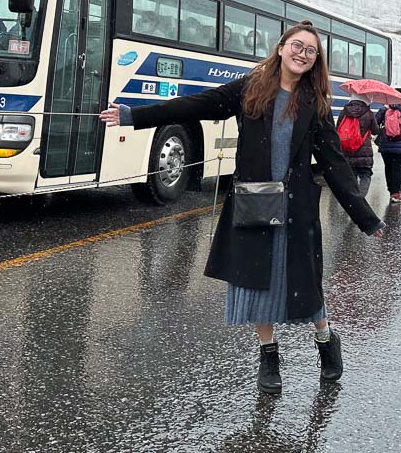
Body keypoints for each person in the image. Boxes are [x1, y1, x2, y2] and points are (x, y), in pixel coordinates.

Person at [98, 21, 384, 395]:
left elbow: (334, 163)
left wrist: (365, 216)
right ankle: (268, 357)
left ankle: (326, 339)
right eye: (296, 46)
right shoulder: (251, 89)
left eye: (310, 51)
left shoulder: (316, 105)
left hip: (297, 209)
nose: (302, 54)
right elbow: (196, 104)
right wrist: (135, 115)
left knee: (305, 284)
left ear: (316, 61)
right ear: (281, 48)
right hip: (255, 203)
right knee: (256, 285)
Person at [336, 94, 377, 196]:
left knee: (351, 175)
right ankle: (361, 198)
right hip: (364, 151)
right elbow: (375, 131)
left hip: (347, 150)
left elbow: (338, 129)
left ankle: (353, 200)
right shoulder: (368, 113)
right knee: (365, 175)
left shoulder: (344, 112)